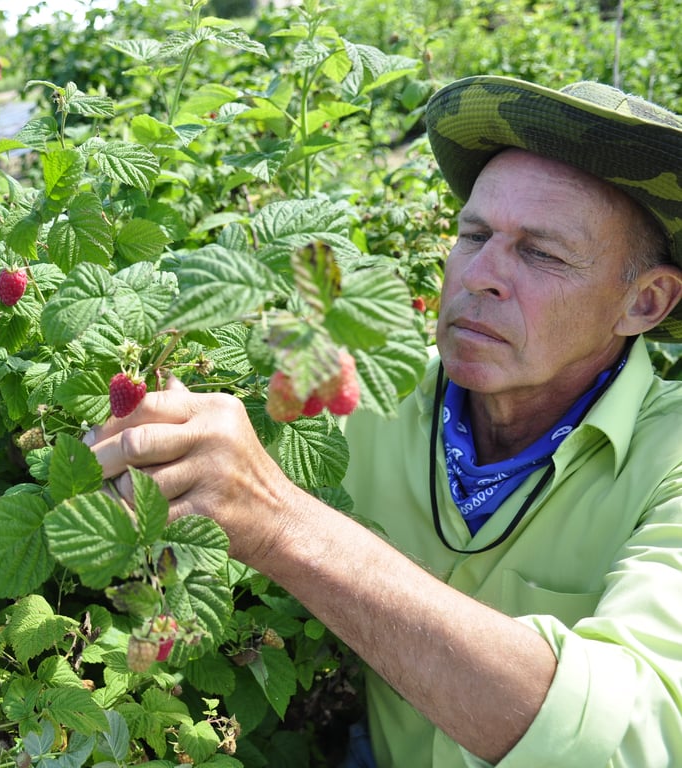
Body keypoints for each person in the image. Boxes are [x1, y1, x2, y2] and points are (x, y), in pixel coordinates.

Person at [85, 75, 682, 767]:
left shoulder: (668, 460)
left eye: (541, 253)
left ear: (645, 303)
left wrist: (281, 523)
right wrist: (136, 448)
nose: (479, 274)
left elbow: (634, 740)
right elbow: (207, 455)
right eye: (475, 232)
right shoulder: (366, 392)